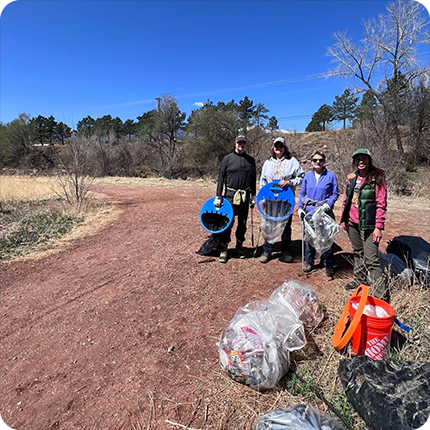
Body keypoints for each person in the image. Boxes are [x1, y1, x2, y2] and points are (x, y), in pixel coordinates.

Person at [340, 148, 388, 299]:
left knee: (371, 259)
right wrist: (344, 219)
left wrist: (378, 227)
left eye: (364, 158)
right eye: (358, 159)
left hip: (369, 224)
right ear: (354, 161)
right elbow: (345, 199)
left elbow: (381, 204)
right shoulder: (351, 178)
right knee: (358, 252)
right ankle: (360, 281)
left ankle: (381, 296)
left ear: (369, 160)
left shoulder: (377, 177)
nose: (361, 161)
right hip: (352, 222)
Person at [259, 137, 304, 263]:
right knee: (269, 224)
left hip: (285, 199)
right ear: (273, 148)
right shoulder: (267, 162)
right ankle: (267, 250)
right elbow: (262, 180)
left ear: (285, 148)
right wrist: (261, 197)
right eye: (276, 146)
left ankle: (286, 250)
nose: (278, 148)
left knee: (285, 225)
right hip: (270, 199)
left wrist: (289, 182)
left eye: (281, 146)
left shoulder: (292, 161)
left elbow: (301, 177)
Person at [214, 135, 257, 263]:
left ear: (246, 144)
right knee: (227, 223)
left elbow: (253, 179)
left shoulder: (251, 160)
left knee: (242, 224)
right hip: (229, 197)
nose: (241, 145)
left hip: (244, 197)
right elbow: (221, 178)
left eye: (243, 143)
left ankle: (239, 247)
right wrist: (218, 195)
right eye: (239, 142)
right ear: (235, 143)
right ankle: (224, 248)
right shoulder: (227, 159)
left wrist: (253, 195)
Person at [297, 151, 339, 276]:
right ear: (311, 162)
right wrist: (300, 208)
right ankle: (309, 262)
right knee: (309, 237)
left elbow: (335, 193)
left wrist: (328, 205)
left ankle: (329, 263)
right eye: (315, 160)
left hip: (324, 211)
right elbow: (302, 194)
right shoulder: (307, 176)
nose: (318, 162)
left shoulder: (330, 176)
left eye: (320, 160)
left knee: (326, 238)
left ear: (324, 162)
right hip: (309, 211)